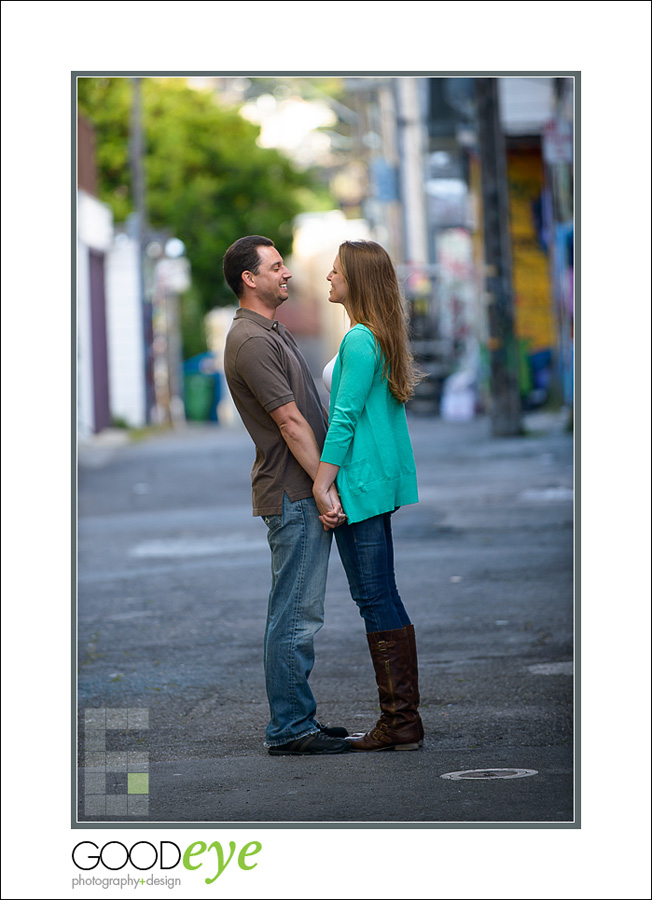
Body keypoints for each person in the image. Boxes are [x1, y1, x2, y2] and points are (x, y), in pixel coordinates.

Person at [222, 235, 350, 756]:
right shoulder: (251, 341)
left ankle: (299, 719)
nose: (288, 274)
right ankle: (291, 728)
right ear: (250, 279)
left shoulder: (269, 332)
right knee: (295, 614)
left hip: (300, 489)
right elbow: (290, 421)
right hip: (293, 494)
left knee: (297, 611)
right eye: (276, 267)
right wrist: (323, 486)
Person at [312, 240, 424, 751]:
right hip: (373, 479)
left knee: (374, 596)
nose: (328, 279)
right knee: (382, 594)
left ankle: (400, 721)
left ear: (355, 280)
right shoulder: (375, 336)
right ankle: (401, 719)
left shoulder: (361, 340)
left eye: (335, 272)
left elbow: (344, 418)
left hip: (358, 482)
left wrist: (322, 479)